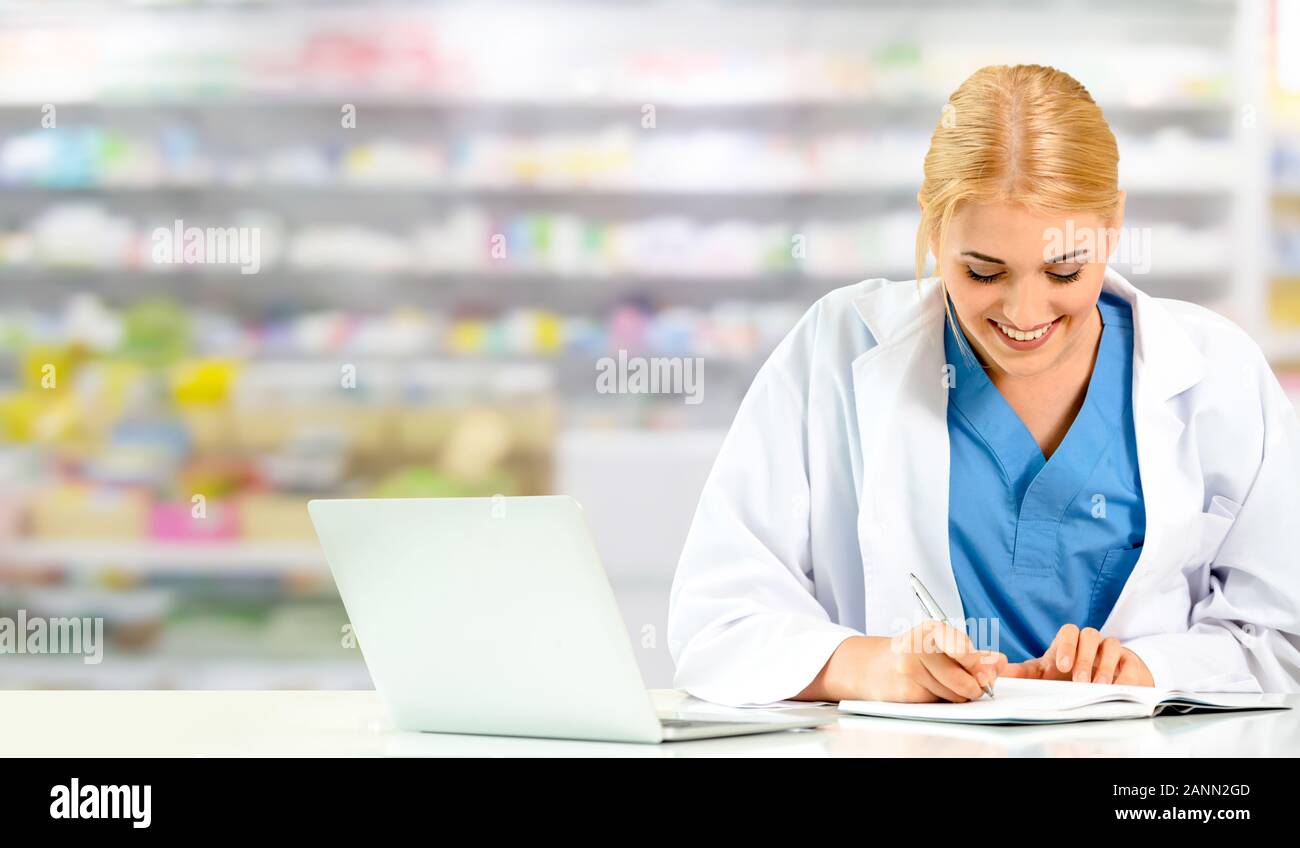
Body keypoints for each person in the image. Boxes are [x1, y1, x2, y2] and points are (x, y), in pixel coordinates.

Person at [666, 64, 1300, 707]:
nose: (1025, 316)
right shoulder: (833, 349)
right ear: (934, 229)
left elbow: (1282, 642)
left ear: (1112, 225)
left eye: (1064, 271)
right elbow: (717, 621)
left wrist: (1149, 669)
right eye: (984, 272)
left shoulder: (1217, 374)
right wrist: (868, 667)